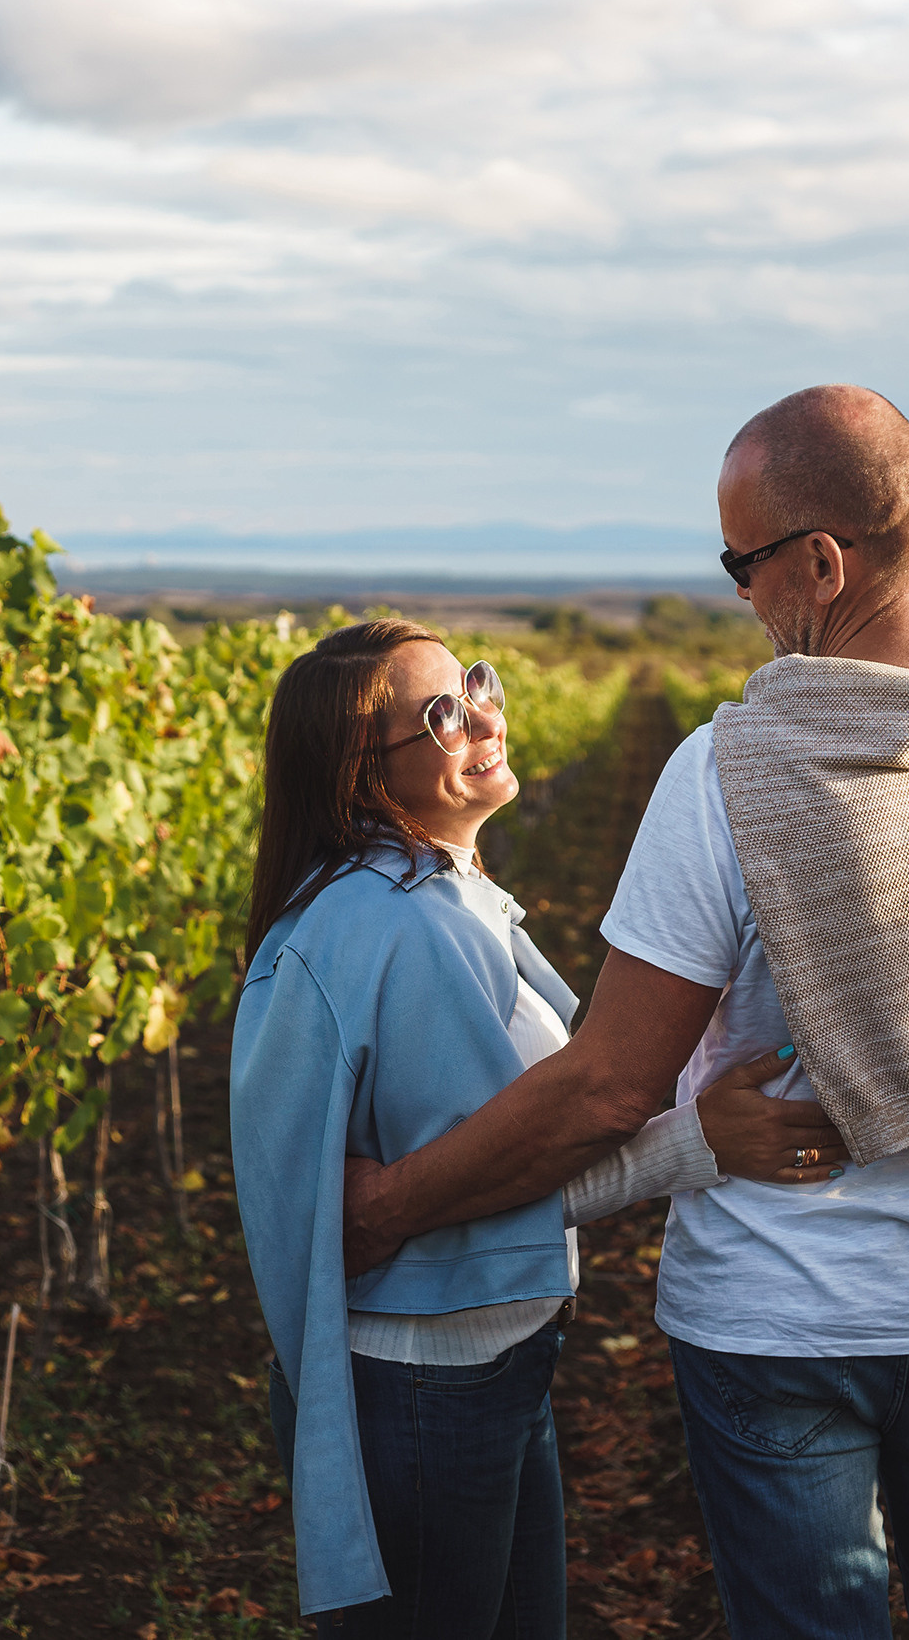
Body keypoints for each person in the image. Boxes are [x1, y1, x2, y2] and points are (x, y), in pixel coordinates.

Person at [342, 387, 909, 1640]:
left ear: (822, 562)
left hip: (774, 1321)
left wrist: (390, 1206)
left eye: (743, 563)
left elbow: (609, 1086)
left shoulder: (730, 771)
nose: (739, 593)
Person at [230, 618, 840, 1638]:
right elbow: (489, 1178)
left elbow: (468, 1173)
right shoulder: (406, 925)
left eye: (475, 684)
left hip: (478, 1362)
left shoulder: (432, 895)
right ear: (361, 775)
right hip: (427, 1383)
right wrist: (699, 1142)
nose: (484, 718)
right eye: (442, 714)